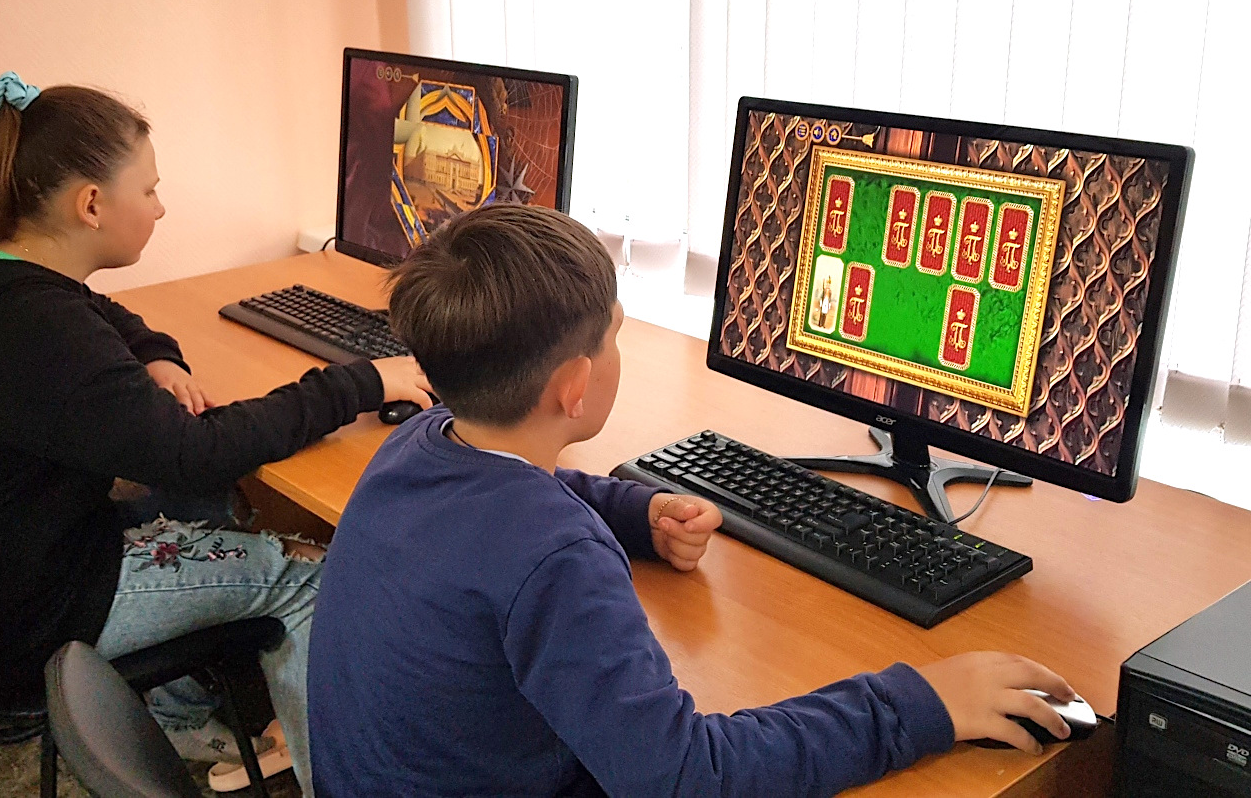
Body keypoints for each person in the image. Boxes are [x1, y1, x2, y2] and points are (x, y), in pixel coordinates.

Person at [306, 204, 1078, 796]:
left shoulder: (420, 441)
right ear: (575, 386)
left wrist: (634, 513)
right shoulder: (555, 557)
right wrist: (920, 701)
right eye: (613, 333)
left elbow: (519, 499)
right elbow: (684, 778)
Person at [0, 72, 430, 797]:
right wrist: (359, 383)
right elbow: (197, 454)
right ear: (91, 204)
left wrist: (157, 356)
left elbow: (102, 315)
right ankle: (335, 780)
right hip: (34, 618)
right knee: (318, 581)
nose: (161, 207)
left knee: (207, 507)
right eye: (150, 189)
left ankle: (181, 717)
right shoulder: (37, 329)